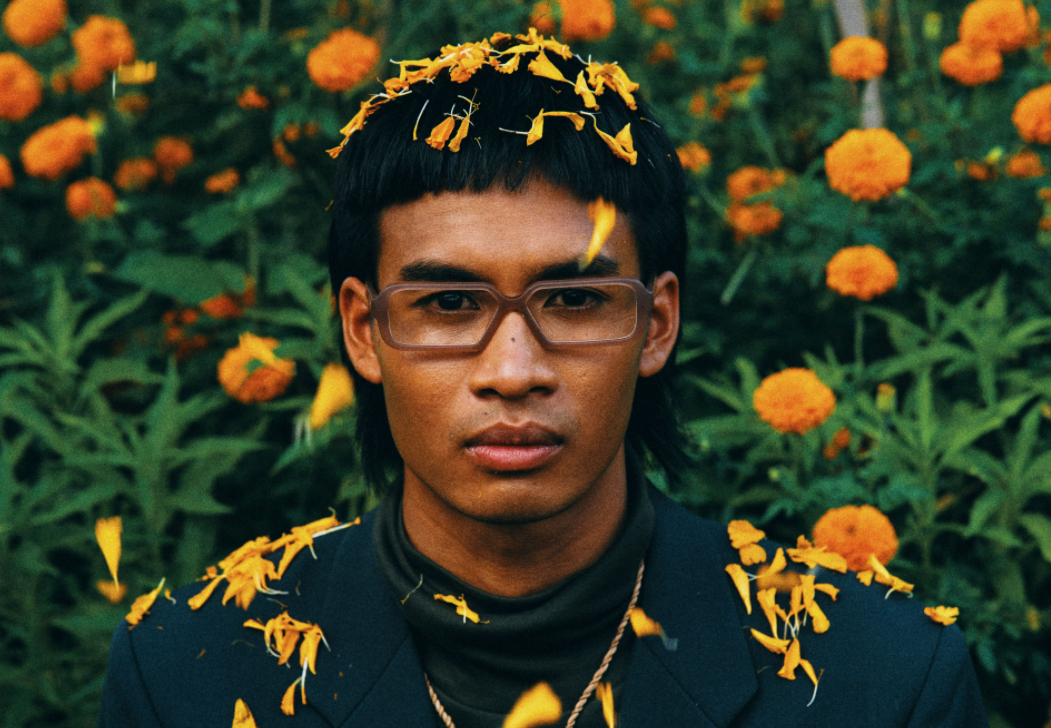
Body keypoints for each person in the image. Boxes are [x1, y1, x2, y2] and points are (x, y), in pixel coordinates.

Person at [98, 30, 988, 728]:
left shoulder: (878, 678)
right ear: (363, 331)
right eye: (449, 304)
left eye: (572, 300)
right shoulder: (188, 672)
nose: (512, 371)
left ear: (657, 322)